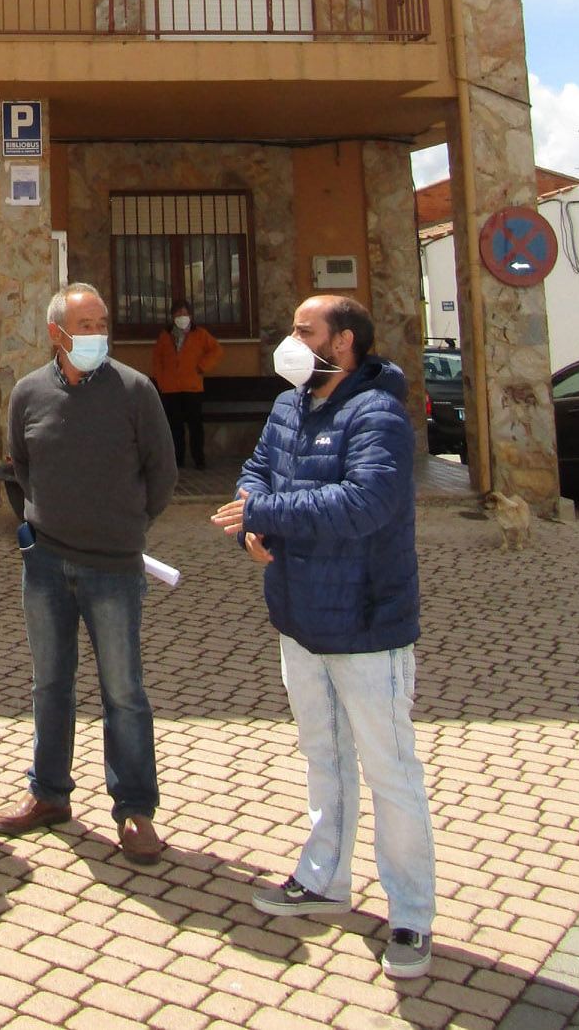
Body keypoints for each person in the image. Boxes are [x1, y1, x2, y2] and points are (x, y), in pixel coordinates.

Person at [210, 294, 435, 978]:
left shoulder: (378, 415)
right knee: (323, 757)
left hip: (366, 623)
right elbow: (257, 474)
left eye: (305, 331)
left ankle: (410, 915)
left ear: (342, 344)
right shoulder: (289, 406)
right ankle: (323, 880)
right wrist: (256, 525)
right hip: (300, 618)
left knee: (389, 770)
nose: (291, 340)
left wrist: (266, 510)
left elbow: (366, 503)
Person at [0, 283, 177, 865]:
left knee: (124, 692)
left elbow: (162, 473)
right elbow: (21, 467)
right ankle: (48, 794)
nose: (98, 332)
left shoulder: (135, 391)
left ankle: (135, 809)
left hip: (114, 567)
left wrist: (124, 526)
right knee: (50, 685)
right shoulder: (27, 394)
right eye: (85, 323)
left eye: (102, 321)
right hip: (45, 564)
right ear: (56, 333)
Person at [151, 299, 222, 469]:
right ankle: (178, 459)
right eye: (178, 313)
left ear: (190, 315)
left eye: (184, 313)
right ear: (172, 316)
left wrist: (202, 366)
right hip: (170, 389)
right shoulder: (165, 335)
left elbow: (217, 351)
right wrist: (161, 381)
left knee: (195, 426)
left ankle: (199, 459)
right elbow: (157, 360)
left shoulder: (200, 334)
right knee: (175, 427)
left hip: (192, 387)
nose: (181, 317)